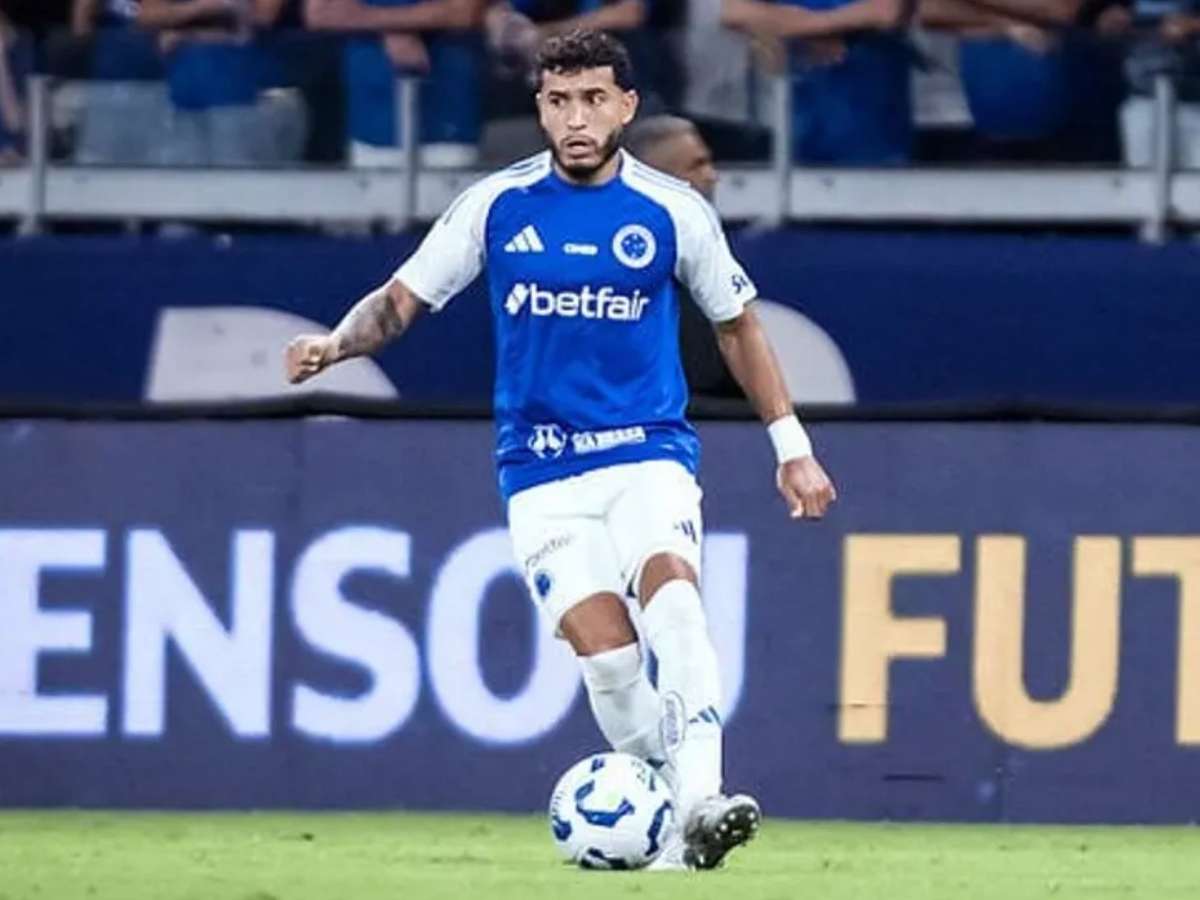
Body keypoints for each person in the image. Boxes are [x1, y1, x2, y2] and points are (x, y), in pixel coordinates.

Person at [284, 29, 836, 870]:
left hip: (646, 452)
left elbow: (738, 327)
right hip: (541, 472)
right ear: (540, 108)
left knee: (676, 605)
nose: (576, 119)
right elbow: (401, 301)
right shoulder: (497, 205)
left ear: (625, 106)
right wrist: (335, 343)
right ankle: (677, 828)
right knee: (610, 661)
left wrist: (791, 447)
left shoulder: (672, 209)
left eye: (592, 100)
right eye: (558, 101)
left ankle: (701, 799)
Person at [625, 114, 740, 399]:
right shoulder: (606, 266)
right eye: (697, 165)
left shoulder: (708, 255)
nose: (712, 176)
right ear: (656, 180)